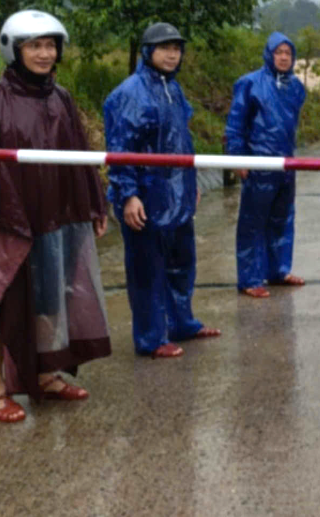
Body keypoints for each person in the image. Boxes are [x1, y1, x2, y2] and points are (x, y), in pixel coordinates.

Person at [0, 10, 111, 424]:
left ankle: (45, 375)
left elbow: (80, 155)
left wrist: (94, 204)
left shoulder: (61, 99)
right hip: (6, 222)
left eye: (50, 45)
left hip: (55, 218)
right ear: (14, 49)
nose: (44, 54)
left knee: (50, 297)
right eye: (35, 45)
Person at [103, 22, 221, 358]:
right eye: (165, 47)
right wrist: (128, 195)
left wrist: (190, 182)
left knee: (182, 262)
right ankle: (151, 337)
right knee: (146, 269)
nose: (172, 54)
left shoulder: (175, 89)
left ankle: (181, 323)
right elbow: (120, 149)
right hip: (146, 193)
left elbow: (184, 140)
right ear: (148, 51)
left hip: (177, 190)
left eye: (177, 48)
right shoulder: (129, 93)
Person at [225, 32, 306, 296]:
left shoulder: (296, 87)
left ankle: (279, 271)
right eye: (279, 52)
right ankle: (250, 279)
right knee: (253, 221)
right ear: (269, 54)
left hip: (286, 163)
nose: (284, 57)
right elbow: (235, 123)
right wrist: (237, 156)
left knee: (283, 218)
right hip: (258, 162)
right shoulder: (249, 83)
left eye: (288, 53)